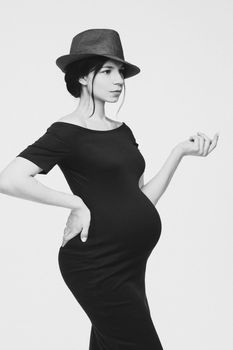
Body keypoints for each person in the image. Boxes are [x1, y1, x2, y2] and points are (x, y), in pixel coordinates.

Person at [0, 28, 219, 349]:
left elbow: (141, 199)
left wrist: (178, 153)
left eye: (120, 72)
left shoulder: (122, 130)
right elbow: (10, 178)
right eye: (106, 71)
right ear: (83, 78)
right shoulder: (66, 132)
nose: (118, 80)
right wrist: (75, 202)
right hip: (95, 264)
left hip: (131, 264)